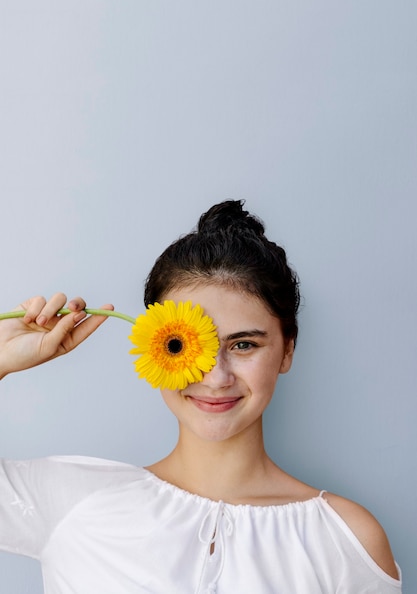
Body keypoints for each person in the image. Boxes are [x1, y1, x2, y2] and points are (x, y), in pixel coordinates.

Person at [0, 200, 401, 593]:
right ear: (155, 345)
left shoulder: (345, 541)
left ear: (287, 351)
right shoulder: (72, 502)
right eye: (182, 345)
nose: (216, 377)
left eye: (243, 345)